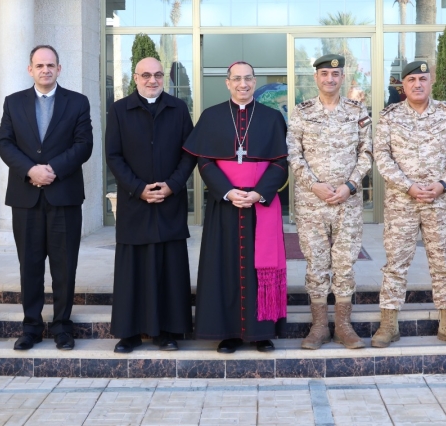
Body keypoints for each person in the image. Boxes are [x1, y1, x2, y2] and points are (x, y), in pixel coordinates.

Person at [183, 61, 289, 353]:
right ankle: (227, 333)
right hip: (225, 205)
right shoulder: (211, 116)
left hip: (261, 205)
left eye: (248, 79)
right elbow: (204, 161)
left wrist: (259, 193)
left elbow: (281, 162)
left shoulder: (272, 118)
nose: (243, 84)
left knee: (261, 268)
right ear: (227, 83)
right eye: (237, 79)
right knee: (223, 267)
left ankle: (262, 332)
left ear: (255, 82)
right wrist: (228, 192)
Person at [0, 45, 93, 351]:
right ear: (30, 70)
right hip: (26, 198)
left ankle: (62, 327)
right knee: (30, 266)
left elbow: (84, 145)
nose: (45, 70)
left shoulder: (77, 102)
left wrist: (52, 169)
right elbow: (5, 143)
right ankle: (31, 327)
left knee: (64, 266)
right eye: (39, 65)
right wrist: (30, 170)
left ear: (59, 69)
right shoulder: (13, 102)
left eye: (50, 65)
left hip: (64, 196)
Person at [371, 60, 446, 348]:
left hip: (438, 202)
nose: (417, 84)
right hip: (401, 202)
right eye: (412, 80)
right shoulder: (390, 117)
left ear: (431, 82)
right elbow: (382, 156)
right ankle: (388, 325)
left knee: (443, 264)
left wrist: (443, 184)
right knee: (395, 264)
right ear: (403, 85)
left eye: (423, 79)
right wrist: (408, 186)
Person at [105, 57, 196, 353]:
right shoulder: (119, 110)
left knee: (169, 269)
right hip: (135, 203)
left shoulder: (178, 108)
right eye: (146, 75)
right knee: (133, 271)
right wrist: (138, 189)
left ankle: (168, 332)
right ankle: (129, 333)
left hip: (170, 202)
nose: (152, 80)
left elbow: (189, 153)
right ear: (135, 78)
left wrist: (172, 185)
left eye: (157, 75)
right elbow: (113, 156)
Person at [286, 54, 372, 350]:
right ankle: (320, 326)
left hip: (347, 202)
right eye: (324, 74)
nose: (330, 79)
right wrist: (314, 185)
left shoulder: (357, 111)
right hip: (312, 203)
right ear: (316, 78)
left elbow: (367, 152)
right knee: (316, 264)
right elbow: (293, 154)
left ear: (342, 78)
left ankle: (344, 327)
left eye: (335, 74)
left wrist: (350, 186)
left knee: (345, 263)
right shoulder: (302, 112)